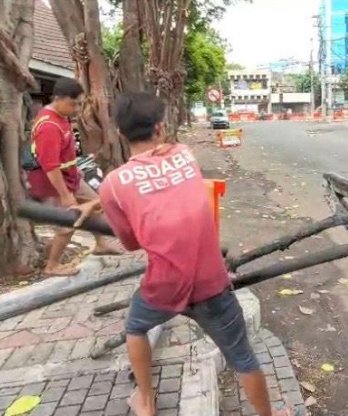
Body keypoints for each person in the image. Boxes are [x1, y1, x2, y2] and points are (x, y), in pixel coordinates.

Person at [73, 92, 292, 416]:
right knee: (243, 357)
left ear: (119, 133)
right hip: (211, 283)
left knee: (135, 328)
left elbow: (131, 244)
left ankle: (145, 400)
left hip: (164, 284)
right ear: (160, 128)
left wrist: (100, 202)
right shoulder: (185, 155)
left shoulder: (113, 185)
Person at [26, 78, 122, 276]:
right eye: (74, 103)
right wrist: (64, 194)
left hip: (71, 175)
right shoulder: (48, 125)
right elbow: (50, 166)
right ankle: (51, 265)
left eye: (79, 104)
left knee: (96, 203)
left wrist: (75, 170)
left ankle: (101, 243)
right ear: (59, 99)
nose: (77, 109)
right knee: (66, 225)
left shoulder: (62, 117)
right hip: (53, 183)